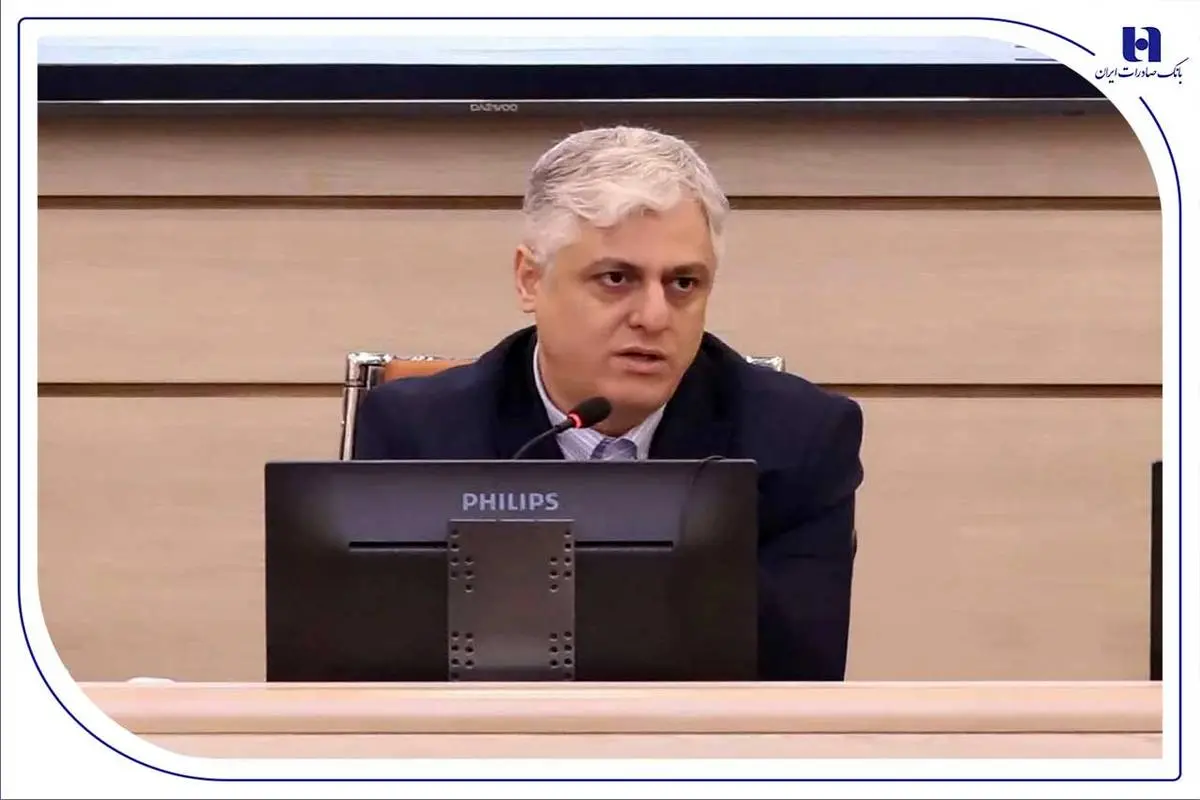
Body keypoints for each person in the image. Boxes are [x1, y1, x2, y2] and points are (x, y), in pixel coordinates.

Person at [353, 125, 865, 680]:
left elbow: (799, 674)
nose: (654, 317)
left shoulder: (798, 438)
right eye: (616, 278)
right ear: (530, 280)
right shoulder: (418, 434)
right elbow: (379, 666)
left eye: (683, 283)